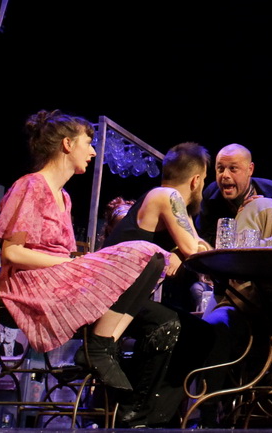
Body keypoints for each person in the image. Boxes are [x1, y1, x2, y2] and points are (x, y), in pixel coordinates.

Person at [0, 110, 168, 391]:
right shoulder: (31, 186)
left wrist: (79, 262)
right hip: (30, 285)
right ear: (67, 144)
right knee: (143, 251)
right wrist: (69, 263)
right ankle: (98, 349)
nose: (93, 152)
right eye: (88, 143)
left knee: (154, 258)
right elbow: (12, 253)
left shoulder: (64, 197)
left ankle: (104, 345)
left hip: (58, 276)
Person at [106, 142, 224, 425]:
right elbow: (195, 248)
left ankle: (162, 417)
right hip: (110, 302)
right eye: (204, 180)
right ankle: (136, 413)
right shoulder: (165, 195)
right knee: (170, 325)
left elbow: (196, 245)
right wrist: (184, 250)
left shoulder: (172, 203)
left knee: (202, 333)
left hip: (127, 302)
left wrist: (180, 252)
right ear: (196, 180)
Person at [196, 143, 272, 244]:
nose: (225, 175)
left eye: (233, 168)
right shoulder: (211, 195)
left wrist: (260, 208)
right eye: (220, 169)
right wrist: (238, 219)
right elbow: (202, 239)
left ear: (250, 169)